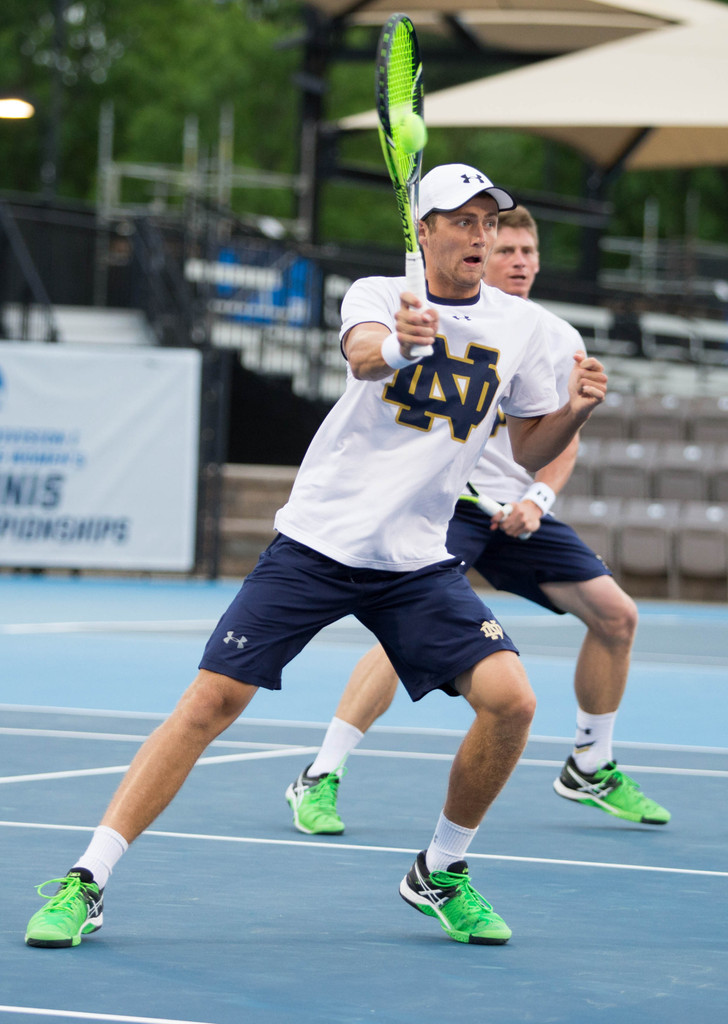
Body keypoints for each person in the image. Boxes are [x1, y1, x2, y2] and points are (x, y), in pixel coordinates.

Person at [24, 165, 607, 950]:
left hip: (416, 558)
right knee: (209, 704)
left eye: (486, 222)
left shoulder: (524, 329)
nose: (479, 236)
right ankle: (86, 880)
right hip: (322, 542)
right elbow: (366, 356)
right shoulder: (377, 295)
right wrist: (400, 345)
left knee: (513, 702)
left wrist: (569, 414)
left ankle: (441, 870)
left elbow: (528, 443)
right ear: (423, 231)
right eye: (460, 222)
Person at [285, 205, 670, 838]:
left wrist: (535, 502)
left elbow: (558, 441)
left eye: (528, 252)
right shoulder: (438, 315)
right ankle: (321, 774)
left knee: (617, 615)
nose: (518, 260)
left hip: (517, 513)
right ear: (478, 256)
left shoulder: (552, 336)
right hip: (449, 507)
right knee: (398, 635)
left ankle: (590, 764)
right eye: (505, 249)